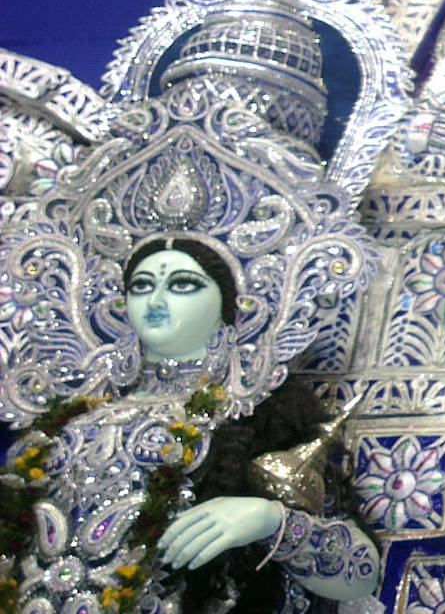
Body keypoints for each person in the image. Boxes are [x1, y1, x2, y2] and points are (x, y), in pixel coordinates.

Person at [0, 234, 379, 613]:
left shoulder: (256, 413)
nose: (155, 301)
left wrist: (270, 522)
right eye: (141, 286)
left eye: (182, 285)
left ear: (229, 304)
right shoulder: (69, 421)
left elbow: (360, 573)